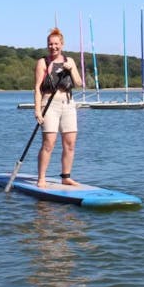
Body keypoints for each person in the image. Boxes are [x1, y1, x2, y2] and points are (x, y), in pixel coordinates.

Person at [34, 27, 83, 188]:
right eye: (50, 44)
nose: (53, 47)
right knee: (49, 143)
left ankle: (66, 176)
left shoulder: (70, 61)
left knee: (70, 143)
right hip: (49, 103)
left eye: (56, 44)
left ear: (62, 44)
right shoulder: (43, 62)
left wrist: (71, 69)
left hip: (68, 103)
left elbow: (79, 83)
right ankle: (41, 177)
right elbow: (37, 88)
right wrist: (37, 110)